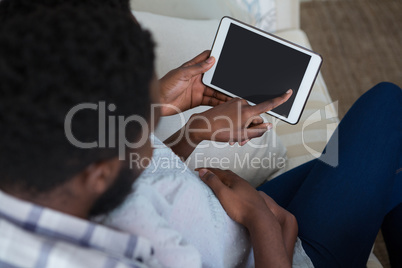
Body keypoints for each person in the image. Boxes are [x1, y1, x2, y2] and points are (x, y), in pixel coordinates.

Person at [0, 1, 400, 268]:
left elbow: (144, 169)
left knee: (380, 172)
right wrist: (261, 222)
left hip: (228, 217)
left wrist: (192, 131)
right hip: (284, 251)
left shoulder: (53, 157)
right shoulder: (139, 242)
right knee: (386, 107)